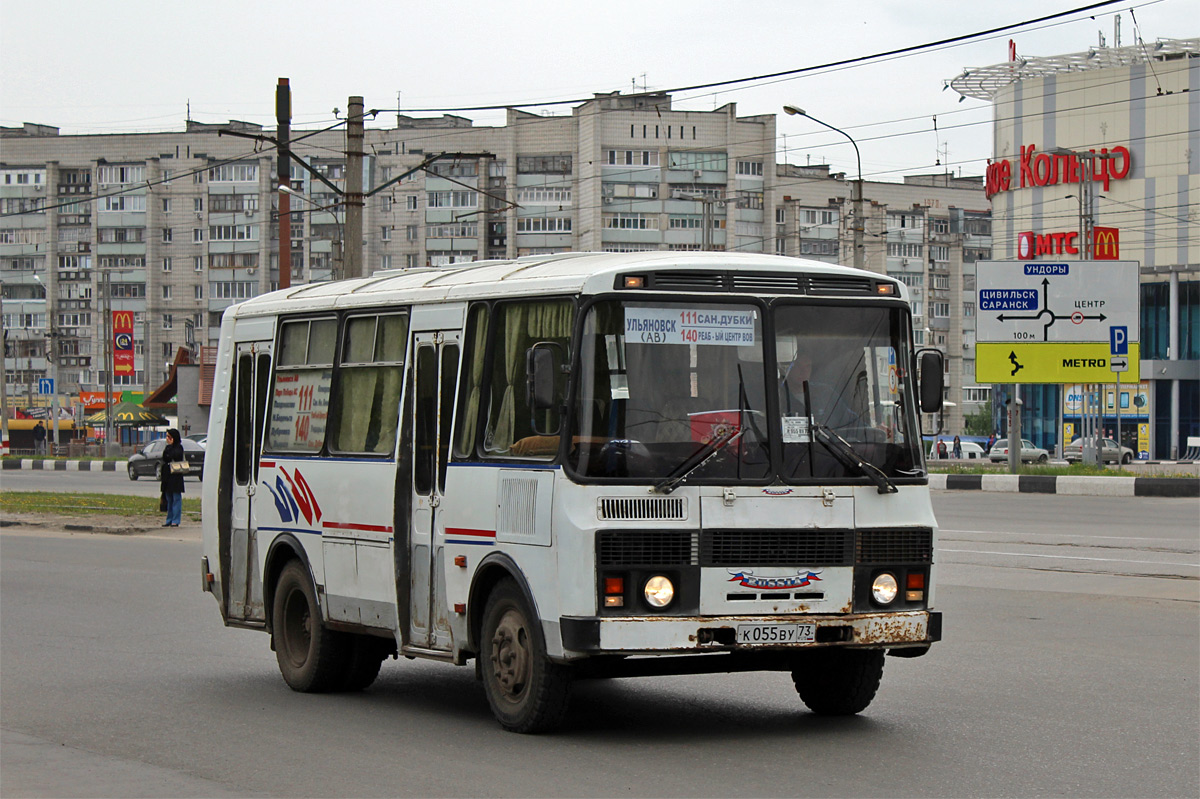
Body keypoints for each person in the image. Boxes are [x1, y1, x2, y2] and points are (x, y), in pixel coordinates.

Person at [160, 428, 185, 527]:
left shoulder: (179, 447)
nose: (167, 439)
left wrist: (171, 448)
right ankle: (169, 519)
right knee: (169, 498)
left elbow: (176, 456)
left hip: (176, 476)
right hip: (167, 476)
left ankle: (176, 520)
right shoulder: (167, 447)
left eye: (169, 436)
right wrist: (169, 448)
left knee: (176, 498)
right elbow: (165, 457)